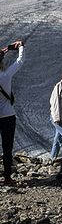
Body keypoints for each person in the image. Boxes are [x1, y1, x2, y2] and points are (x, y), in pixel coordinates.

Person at [0, 40, 24, 186]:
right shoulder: (6, 75)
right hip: (8, 116)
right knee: (7, 148)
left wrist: (3, 52)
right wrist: (20, 47)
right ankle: (7, 177)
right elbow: (20, 61)